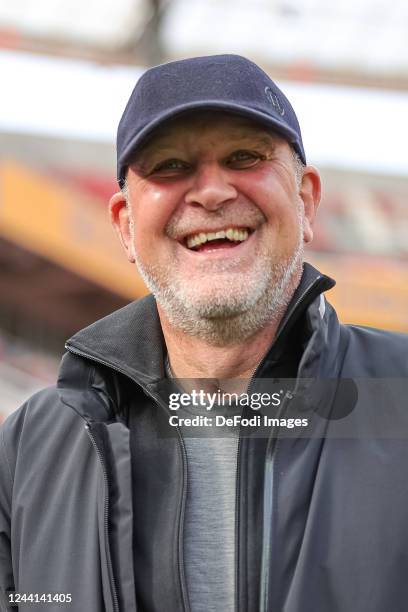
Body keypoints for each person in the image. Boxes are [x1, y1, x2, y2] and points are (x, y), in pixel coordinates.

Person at [1, 54, 408, 612]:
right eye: (168, 165)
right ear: (123, 225)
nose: (211, 193)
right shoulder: (28, 448)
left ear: (307, 200)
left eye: (245, 156)